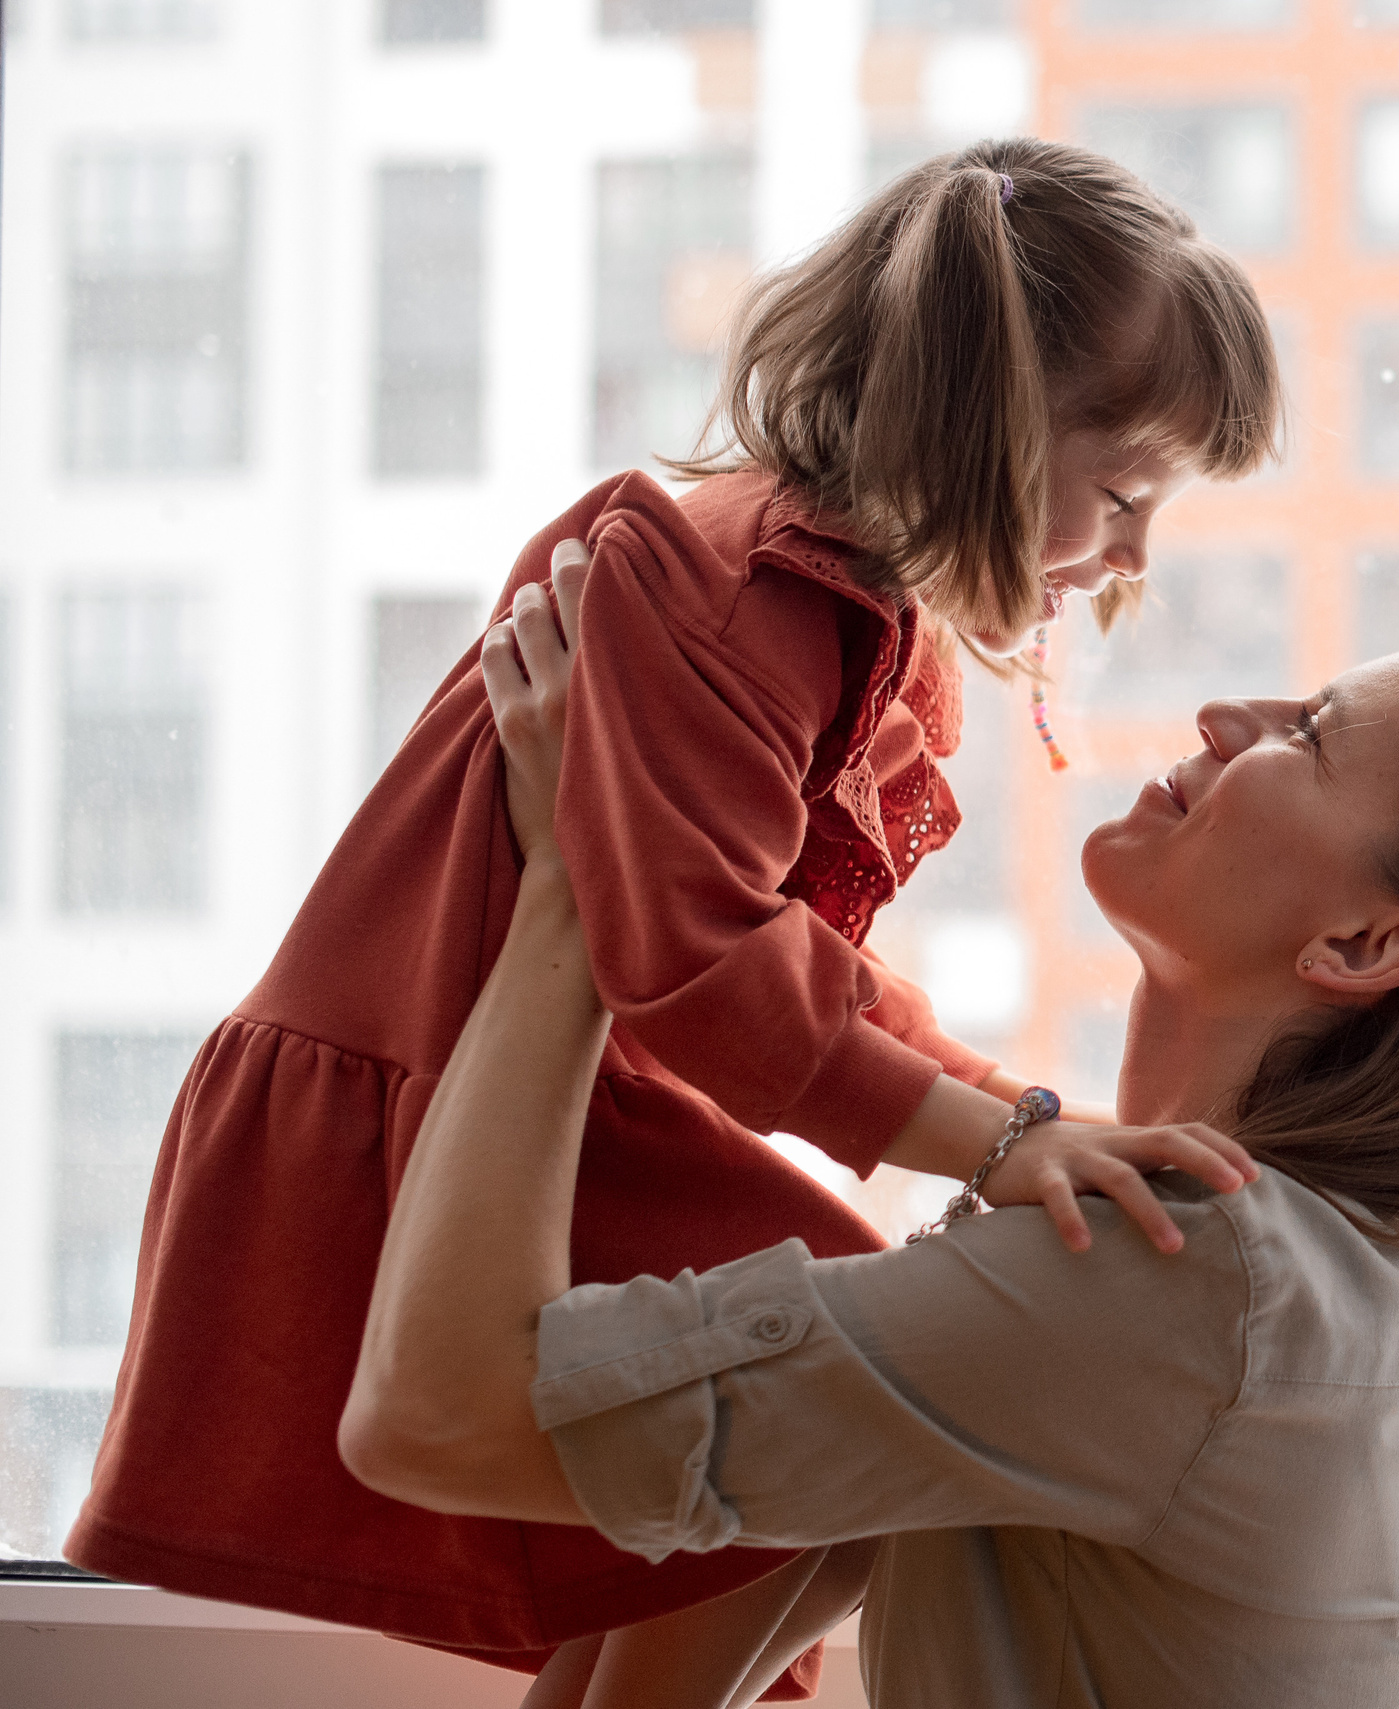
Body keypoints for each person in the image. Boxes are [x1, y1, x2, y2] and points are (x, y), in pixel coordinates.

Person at [66, 138, 1279, 1703]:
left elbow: (800, 974)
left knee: (778, 1465)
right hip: (472, 1116)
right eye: (1123, 496)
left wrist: (1020, 1115)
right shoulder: (732, 586)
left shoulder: (837, 609)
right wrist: (997, 1136)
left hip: (560, 1104)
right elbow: (701, 966)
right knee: (850, 1403)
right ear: (986, 416)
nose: (1127, 557)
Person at [339, 565, 1399, 1708]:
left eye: (1307, 734)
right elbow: (779, 1507)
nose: (1222, 716)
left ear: (1365, 945)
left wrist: (581, 878)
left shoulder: (1183, 1284)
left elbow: (434, 1413)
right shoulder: (1342, 1299)